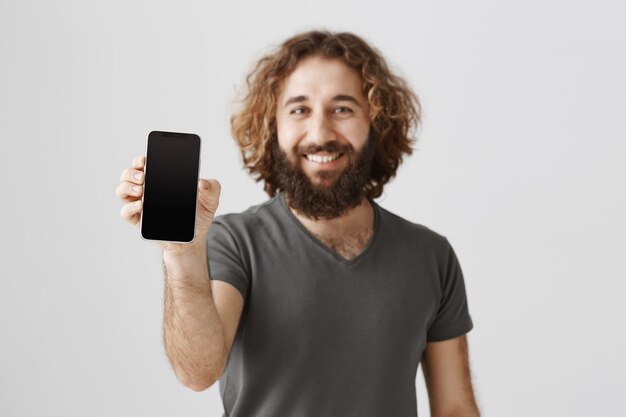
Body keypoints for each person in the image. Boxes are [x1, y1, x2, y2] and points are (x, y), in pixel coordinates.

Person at [117, 30, 480, 417]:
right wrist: (183, 252)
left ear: (377, 122)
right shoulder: (235, 242)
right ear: (272, 127)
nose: (320, 134)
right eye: (299, 110)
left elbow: (455, 408)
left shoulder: (431, 255)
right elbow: (197, 372)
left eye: (342, 109)